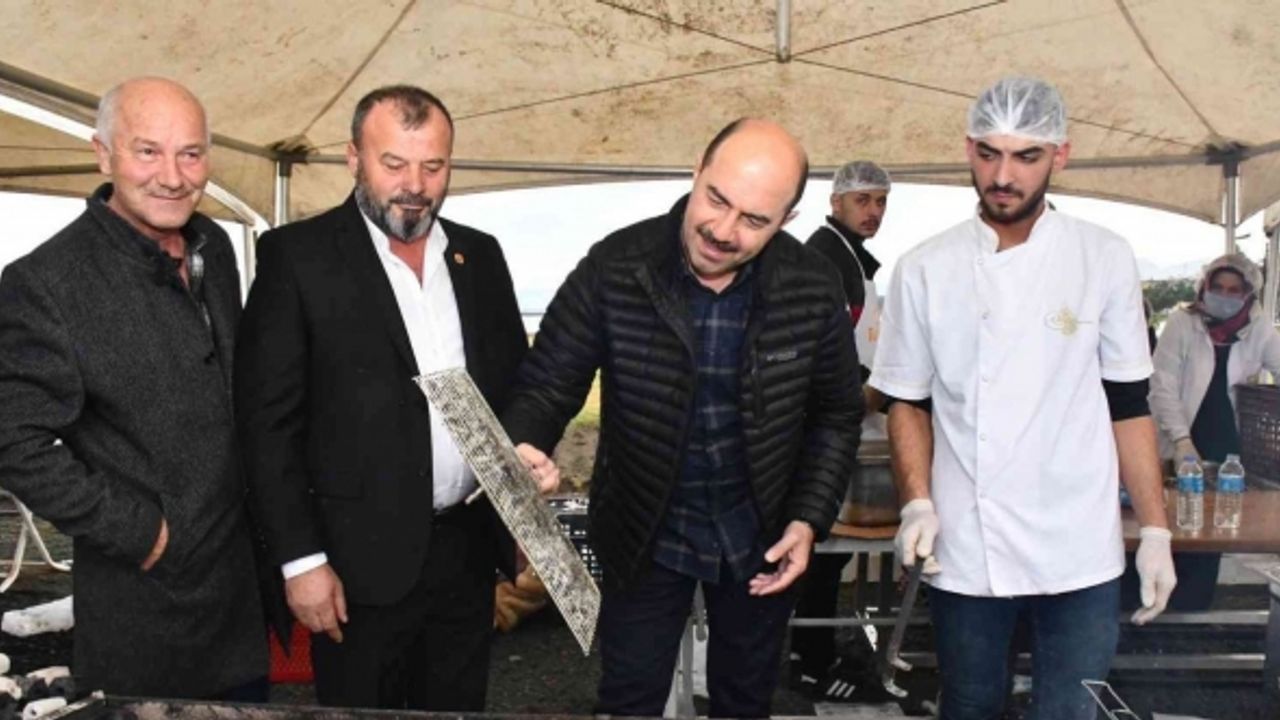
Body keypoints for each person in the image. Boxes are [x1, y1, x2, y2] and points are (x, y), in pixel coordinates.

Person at [501, 118, 864, 718]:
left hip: (761, 536)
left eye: (754, 220)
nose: (722, 231)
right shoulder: (617, 264)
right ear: (697, 172)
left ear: (787, 220)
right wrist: (525, 443)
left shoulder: (811, 284)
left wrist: (808, 518)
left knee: (745, 700)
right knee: (630, 698)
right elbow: (547, 381)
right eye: (716, 199)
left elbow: (837, 413)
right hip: (644, 530)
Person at [234, 85, 553, 711]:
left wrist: (521, 489)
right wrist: (301, 562)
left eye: (433, 166)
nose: (415, 185)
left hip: (466, 551)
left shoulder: (480, 255)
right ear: (354, 158)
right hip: (355, 564)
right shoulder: (297, 258)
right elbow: (266, 427)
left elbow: (512, 388)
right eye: (394, 164)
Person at [870, 76, 1177, 718]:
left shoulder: (1103, 257)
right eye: (988, 154)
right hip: (967, 539)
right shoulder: (925, 267)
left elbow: (1128, 404)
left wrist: (1154, 529)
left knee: (1071, 708)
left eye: (1026, 157)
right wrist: (917, 502)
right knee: (970, 704)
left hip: (1078, 541)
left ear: (1060, 156)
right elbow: (907, 400)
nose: (1003, 176)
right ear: (968, 149)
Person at [0, 77, 269, 699]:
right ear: (104, 154)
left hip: (237, 595)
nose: (172, 176)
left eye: (190, 154)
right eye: (148, 151)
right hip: (146, 607)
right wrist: (140, 533)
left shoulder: (214, 245)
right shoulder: (45, 282)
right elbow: (12, 437)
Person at [792, 160, 895, 701]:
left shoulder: (848, 255)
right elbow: (822, 348)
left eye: (881, 202)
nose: (873, 211)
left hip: (840, 418)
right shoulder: (825, 256)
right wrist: (871, 393)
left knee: (825, 550)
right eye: (863, 201)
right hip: (819, 427)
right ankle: (812, 664)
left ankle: (812, 652)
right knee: (820, 546)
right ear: (836, 202)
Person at [1141, 254, 1280, 609]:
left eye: (1234, 290)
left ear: (1248, 294)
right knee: (1173, 517)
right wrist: (1181, 440)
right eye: (1217, 287)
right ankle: (1155, 600)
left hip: (1226, 437)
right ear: (1203, 288)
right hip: (1180, 432)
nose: (1224, 295)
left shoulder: (1258, 328)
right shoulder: (1182, 323)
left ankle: (1194, 606)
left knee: (1216, 522)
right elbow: (1162, 385)